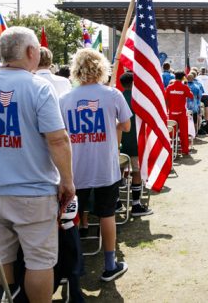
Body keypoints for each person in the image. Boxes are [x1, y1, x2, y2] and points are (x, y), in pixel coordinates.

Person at [0, 26, 74, 301]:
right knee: (39, 261)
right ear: (31, 52)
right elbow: (58, 140)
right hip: (32, 191)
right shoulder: (38, 86)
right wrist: (68, 181)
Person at [60, 48, 131, 282]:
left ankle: (70, 267)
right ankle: (110, 264)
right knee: (107, 215)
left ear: (76, 69)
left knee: (69, 217)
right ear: (101, 68)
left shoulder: (64, 99)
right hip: (104, 167)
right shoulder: (113, 95)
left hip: (74, 168)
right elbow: (127, 126)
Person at [118, 72, 152, 216]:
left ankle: (117, 202)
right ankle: (136, 204)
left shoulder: (117, 97)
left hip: (118, 143)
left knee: (117, 174)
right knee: (136, 172)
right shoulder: (139, 99)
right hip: (136, 142)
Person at [165, 71, 195, 156]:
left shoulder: (169, 87)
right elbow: (191, 96)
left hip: (171, 113)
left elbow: (166, 99)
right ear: (183, 78)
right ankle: (185, 151)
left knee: (171, 132)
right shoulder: (184, 87)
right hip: (181, 113)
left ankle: (170, 150)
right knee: (184, 133)